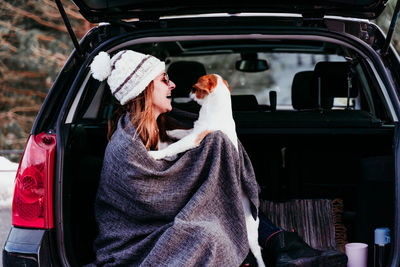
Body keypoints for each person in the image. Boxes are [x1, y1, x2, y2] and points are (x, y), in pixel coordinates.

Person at [89, 50, 347, 266]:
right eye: (163, 80)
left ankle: (281, 245)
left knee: (220, 179)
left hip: (169, 220)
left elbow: (190, 169)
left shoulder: (167, 124)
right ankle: (281, 245)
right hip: (135, 238)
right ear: (143, 89)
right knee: (208, 233)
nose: (173, 85)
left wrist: (213, 148)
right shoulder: (125, 146)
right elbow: (155, 200)